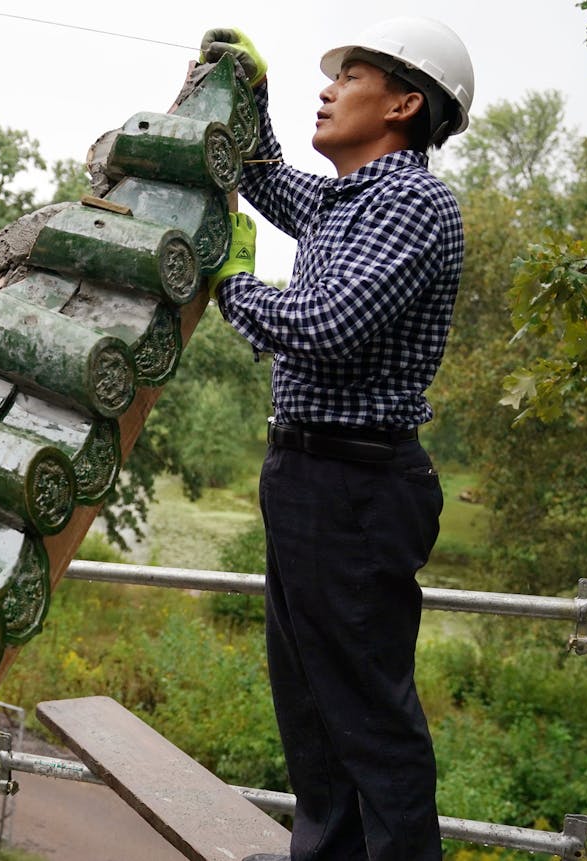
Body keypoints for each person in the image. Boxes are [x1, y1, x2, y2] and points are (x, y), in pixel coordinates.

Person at [201, 18, 475, 861]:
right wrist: (246, 100)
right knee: (314, 701)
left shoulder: (414, 202)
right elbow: (269, 180)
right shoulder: (349, 200)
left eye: (348, 76)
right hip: (311, 475)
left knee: (365, 709)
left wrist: (234, 282)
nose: (329, 87)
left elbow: (329, 324)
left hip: (357, 487)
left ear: (403, 102)